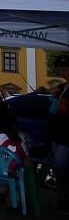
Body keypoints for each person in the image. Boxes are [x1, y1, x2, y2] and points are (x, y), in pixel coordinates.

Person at [48, 54, 69, 214]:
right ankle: (61, 198)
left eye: (65, 69)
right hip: (57, 133)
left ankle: (63, 198)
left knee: (61, 167)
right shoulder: (64, 86)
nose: (62, 73)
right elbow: (56, 89)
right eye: (60, 70)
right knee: (58, 167)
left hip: (66, 136)